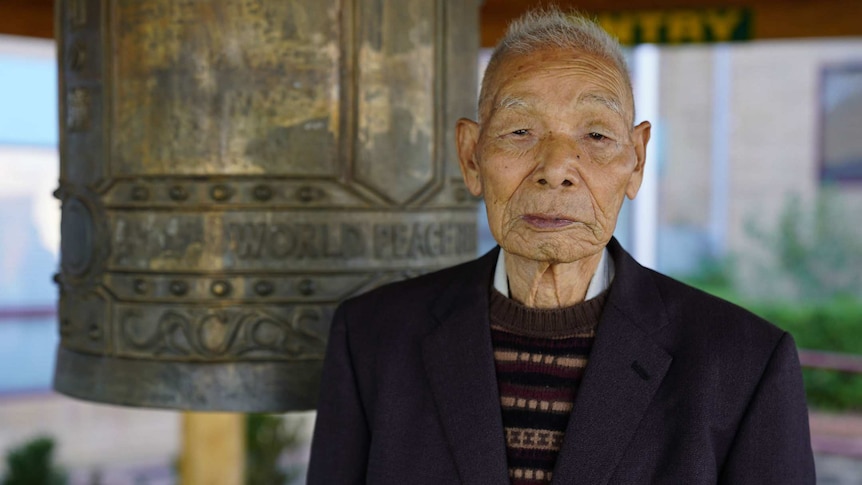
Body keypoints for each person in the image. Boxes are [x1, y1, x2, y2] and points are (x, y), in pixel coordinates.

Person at [308, 8, 815, 484]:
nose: (555, 168)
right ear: (471, 157)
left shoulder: (744, 364)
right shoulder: (372, 340)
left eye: (595, 135)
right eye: (520, 129)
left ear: (636, 161)